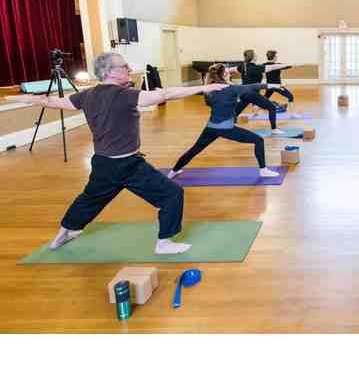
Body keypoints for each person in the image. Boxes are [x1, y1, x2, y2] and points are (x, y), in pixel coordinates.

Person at [5, 52, 228, 255]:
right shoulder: (125, 95)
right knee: (172, 194)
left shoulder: (88, 94)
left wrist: (27, 98)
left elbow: (54, 101)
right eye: (124, 66)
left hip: (103, 164)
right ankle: (164, 243)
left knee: (89, 200)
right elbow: (165, 94)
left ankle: (61, 236)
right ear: (110, 72)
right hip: (128, 165)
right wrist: (203, 88)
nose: (129, 69)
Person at [168, 63, 282, 179]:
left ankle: (173, 171)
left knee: (194, 150)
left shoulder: (209, 90)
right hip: (226, 129)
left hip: (211, 128)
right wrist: (273, 85)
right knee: (258, 140)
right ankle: (263, 170)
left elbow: (212, 102)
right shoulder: (232, 89)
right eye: (227, 73)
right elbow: (253, 86)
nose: (229, 74)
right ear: (223, 75)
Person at [235, 49, 293, 134]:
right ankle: (274, 129)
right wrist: (286, 65)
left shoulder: (243, 66)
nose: (256, 55)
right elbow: (272, 67)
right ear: (253, 57)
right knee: (271, 107)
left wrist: (226, 70)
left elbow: (234, 69)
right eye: (255, 54)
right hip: (252, 94)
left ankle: (225, 125)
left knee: (235, 112)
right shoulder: (256, 68)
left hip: (243, 93)